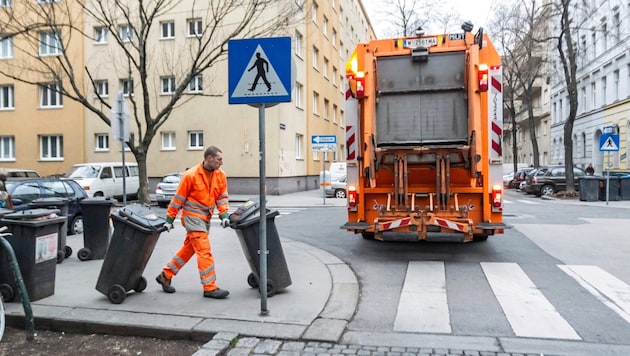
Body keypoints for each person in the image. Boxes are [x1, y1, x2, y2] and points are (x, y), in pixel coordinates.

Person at [156, 146, 231, 299]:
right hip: (192, 218)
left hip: (205, 218)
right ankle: (210, 287)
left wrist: (224, 215)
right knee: (204, 251)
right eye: (219, 159)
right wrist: (169, 220)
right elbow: (178, 199)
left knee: (189, 249)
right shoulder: (190, 175)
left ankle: (166, 274)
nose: (221, 163)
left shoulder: (221, 175)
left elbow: (222, 197)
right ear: (209, 158)